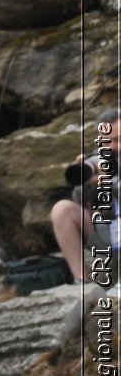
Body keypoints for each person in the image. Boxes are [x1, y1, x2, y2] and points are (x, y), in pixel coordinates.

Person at [52, 108, 119, 284]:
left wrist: (110, 185)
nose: (113, 147)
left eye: (118, 140)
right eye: (107, 141)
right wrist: (86, 181)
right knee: (62, 210)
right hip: (107, 234)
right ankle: (82, 280)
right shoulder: (98, 158)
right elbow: (80, 202)